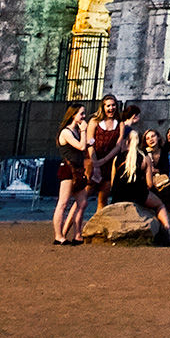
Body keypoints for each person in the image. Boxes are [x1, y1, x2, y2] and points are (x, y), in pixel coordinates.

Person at [52, 103, 91, 245]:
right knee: (63, 203)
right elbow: (81, 146)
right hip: (69, 169)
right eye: (81, 113)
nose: (84, 116)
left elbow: (84, 146)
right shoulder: (66, 132)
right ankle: (59, 236)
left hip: (78, 170)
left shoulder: (75, 131)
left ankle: (78, 235)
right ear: (73, 115)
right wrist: (84, 131)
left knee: (83, 202)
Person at [85, 96, 124, 212]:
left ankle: (99, 228)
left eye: (113, 105)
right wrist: (96, 164)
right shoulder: (94, 121)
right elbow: (90, 143)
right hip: (92, 163)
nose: (111, 108)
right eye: (108, 105)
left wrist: (104, 160)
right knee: (82, 199)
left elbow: (118, 146)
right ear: (103, 107)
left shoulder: (119, 123)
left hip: (108, 165)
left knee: (103, 200)